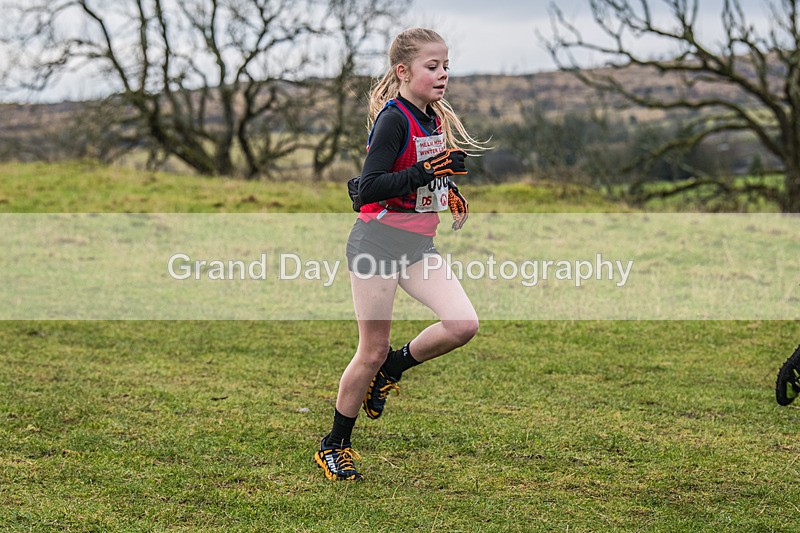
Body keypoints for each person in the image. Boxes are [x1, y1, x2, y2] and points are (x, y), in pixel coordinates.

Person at [314, 27, 487, 481]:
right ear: (404, 71)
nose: (443, 74)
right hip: (376, 245)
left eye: (447, 66)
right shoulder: (393, 119)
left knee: (463, 324)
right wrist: (426, 171)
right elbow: (367, 190)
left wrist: (447, 189)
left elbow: (419, 175)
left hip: (417, 246)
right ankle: (335, 444)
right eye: (434, 66)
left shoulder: (434, 118)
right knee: (368, 351)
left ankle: (398, 363)